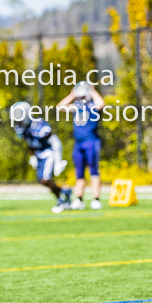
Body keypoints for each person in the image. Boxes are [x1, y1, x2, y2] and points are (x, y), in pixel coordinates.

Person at [11, 101, 71, 214]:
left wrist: (58, 160)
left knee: (45, 179)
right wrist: (33, 157)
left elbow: (54, 141)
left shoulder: (37, 124)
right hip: (39, 155)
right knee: (42, 181)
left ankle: (61, 201)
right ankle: (64, 192)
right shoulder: (21, 127)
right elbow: (30, 144)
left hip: (49, 153)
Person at [57, 81, 106, 210]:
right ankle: (79, 199)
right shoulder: (76, 106)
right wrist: (72, 94)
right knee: (79, 172)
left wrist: (92, 91)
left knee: (93, 170)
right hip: (78, 142)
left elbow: (101, 104)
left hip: (91, 141)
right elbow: (60, 107)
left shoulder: (92, 106)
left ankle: (96, 198)